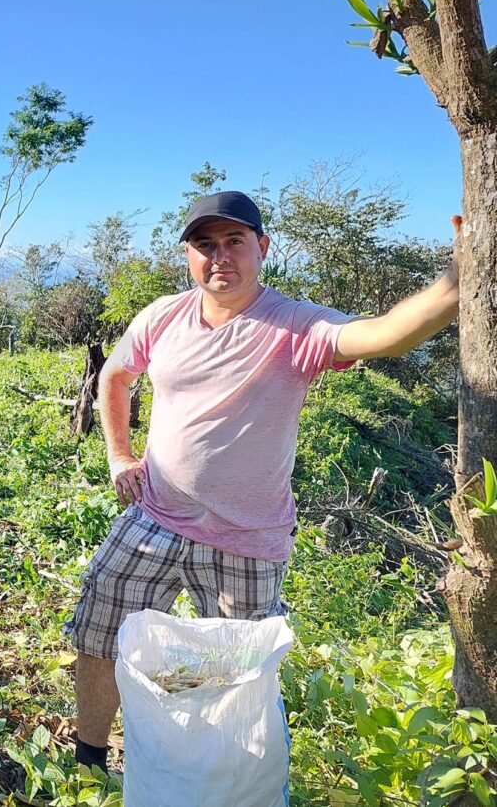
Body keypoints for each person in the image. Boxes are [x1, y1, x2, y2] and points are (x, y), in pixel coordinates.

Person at [66, 190, 461, 774]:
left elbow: (388, 334)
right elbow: (116, 377)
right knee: (99, 629)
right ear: (188, 256)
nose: (219, 256)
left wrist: (459, 276)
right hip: (153, 515)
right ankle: (88, 760)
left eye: (234, 241)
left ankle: (225, 778)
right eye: (205, 245)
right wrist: (120, 458)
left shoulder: (296, 325)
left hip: (246, 539)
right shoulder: (163, 316)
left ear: (262, 248)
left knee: (239, 676)